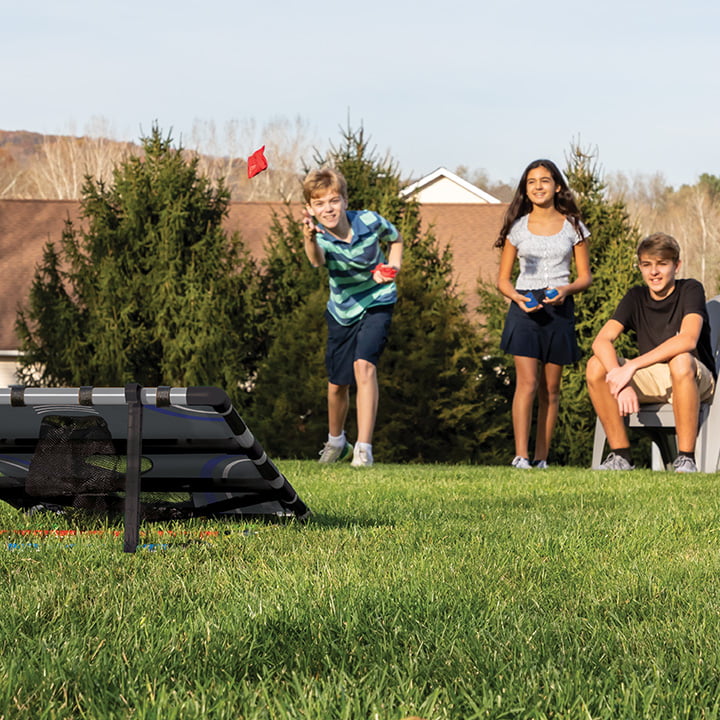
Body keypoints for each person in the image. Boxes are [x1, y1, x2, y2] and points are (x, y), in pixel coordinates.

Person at [586, 233, 716, 472]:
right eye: (647, 265)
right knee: (596, 365)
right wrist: (619, 378)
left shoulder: (690, 289)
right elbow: (602, 340)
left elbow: (687, 339)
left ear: (676, 266)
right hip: (655, 378)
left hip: (696, 377)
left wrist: (631, 367)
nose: (654, 272)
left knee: (680, 360)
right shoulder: (635, 296)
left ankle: (686, 459)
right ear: (640, 267)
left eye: (662, 264)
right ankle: (621, 457)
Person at [302, 167, 403, 467]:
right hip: (342, 311)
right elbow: (317, 261)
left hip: (378, 301)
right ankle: (337, 442)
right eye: (319, 204)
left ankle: (363, 448)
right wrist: (309, 238)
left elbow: (395, 238)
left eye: (333, 200)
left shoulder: (370, 220)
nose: (328, 208)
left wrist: (393, 269)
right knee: (337, 384)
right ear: (310, 208)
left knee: (365, 367)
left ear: (345, 200)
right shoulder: (318, 236)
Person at [496, 159, 592, 469]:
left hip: (560, 307)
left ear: (558, 186)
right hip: (525, 308)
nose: (538, 186)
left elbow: (585, 277)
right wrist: (519, 299)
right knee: (527, 384)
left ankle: (542, 458)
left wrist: (566, 290)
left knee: (550, 389)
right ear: (525, 189)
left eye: (544, 180)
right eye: (531, 182)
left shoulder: (574, 226)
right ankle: (521, 456)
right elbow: (502, 280)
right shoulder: (517, 228)